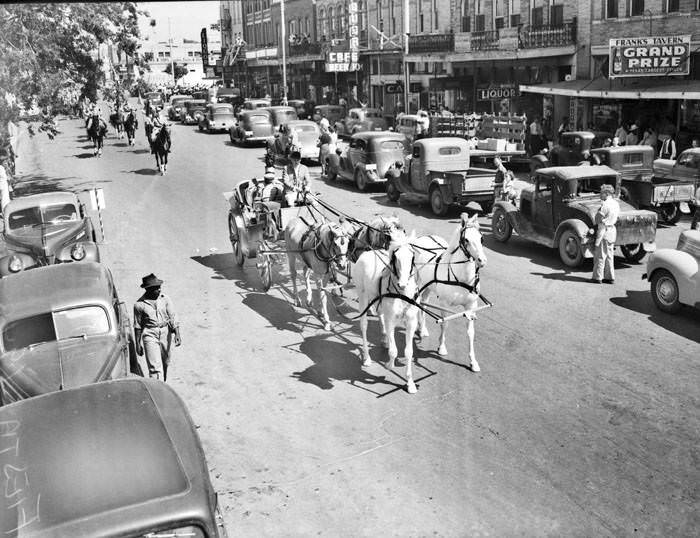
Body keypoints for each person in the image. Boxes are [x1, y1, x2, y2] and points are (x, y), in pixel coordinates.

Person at [133, 274, 181, 381]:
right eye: (156, 288)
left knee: (166, 361)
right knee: (155, 368)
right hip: (150, 334)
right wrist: (137, 343)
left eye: (159, 287)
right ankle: (158, 390)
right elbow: (138, 325)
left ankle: (163, 382)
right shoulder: (139, 305)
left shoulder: (165, 299)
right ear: (148, 289)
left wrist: (177, 333)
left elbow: (172, 316)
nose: (159, 290)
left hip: (165, 332)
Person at [592, 184, 620, 284]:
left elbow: (597, 219)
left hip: (604, 230)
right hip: (612, 230)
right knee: (609, 255)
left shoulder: (605, 205)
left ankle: (597, 277)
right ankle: (610, 277)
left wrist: (599, 209)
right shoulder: (616, 203)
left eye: (601, 193)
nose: (600, 194)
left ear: (606, 193)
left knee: (600, 255)